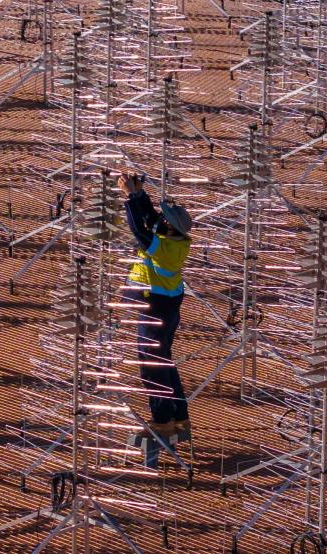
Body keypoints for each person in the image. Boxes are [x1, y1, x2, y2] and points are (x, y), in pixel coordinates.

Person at [119, 172, 193, 449]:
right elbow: (149, 219)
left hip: (156, 308)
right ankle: (179, 417)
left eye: (164, 221)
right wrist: (138, 195)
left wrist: (129, 199)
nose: (159, 221)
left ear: (170, 228)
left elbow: (140, 229)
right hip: (166, 306)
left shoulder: (164, 247)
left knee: (152, 364)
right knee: (164, 360)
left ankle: (162, 422)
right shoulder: (173, 240)